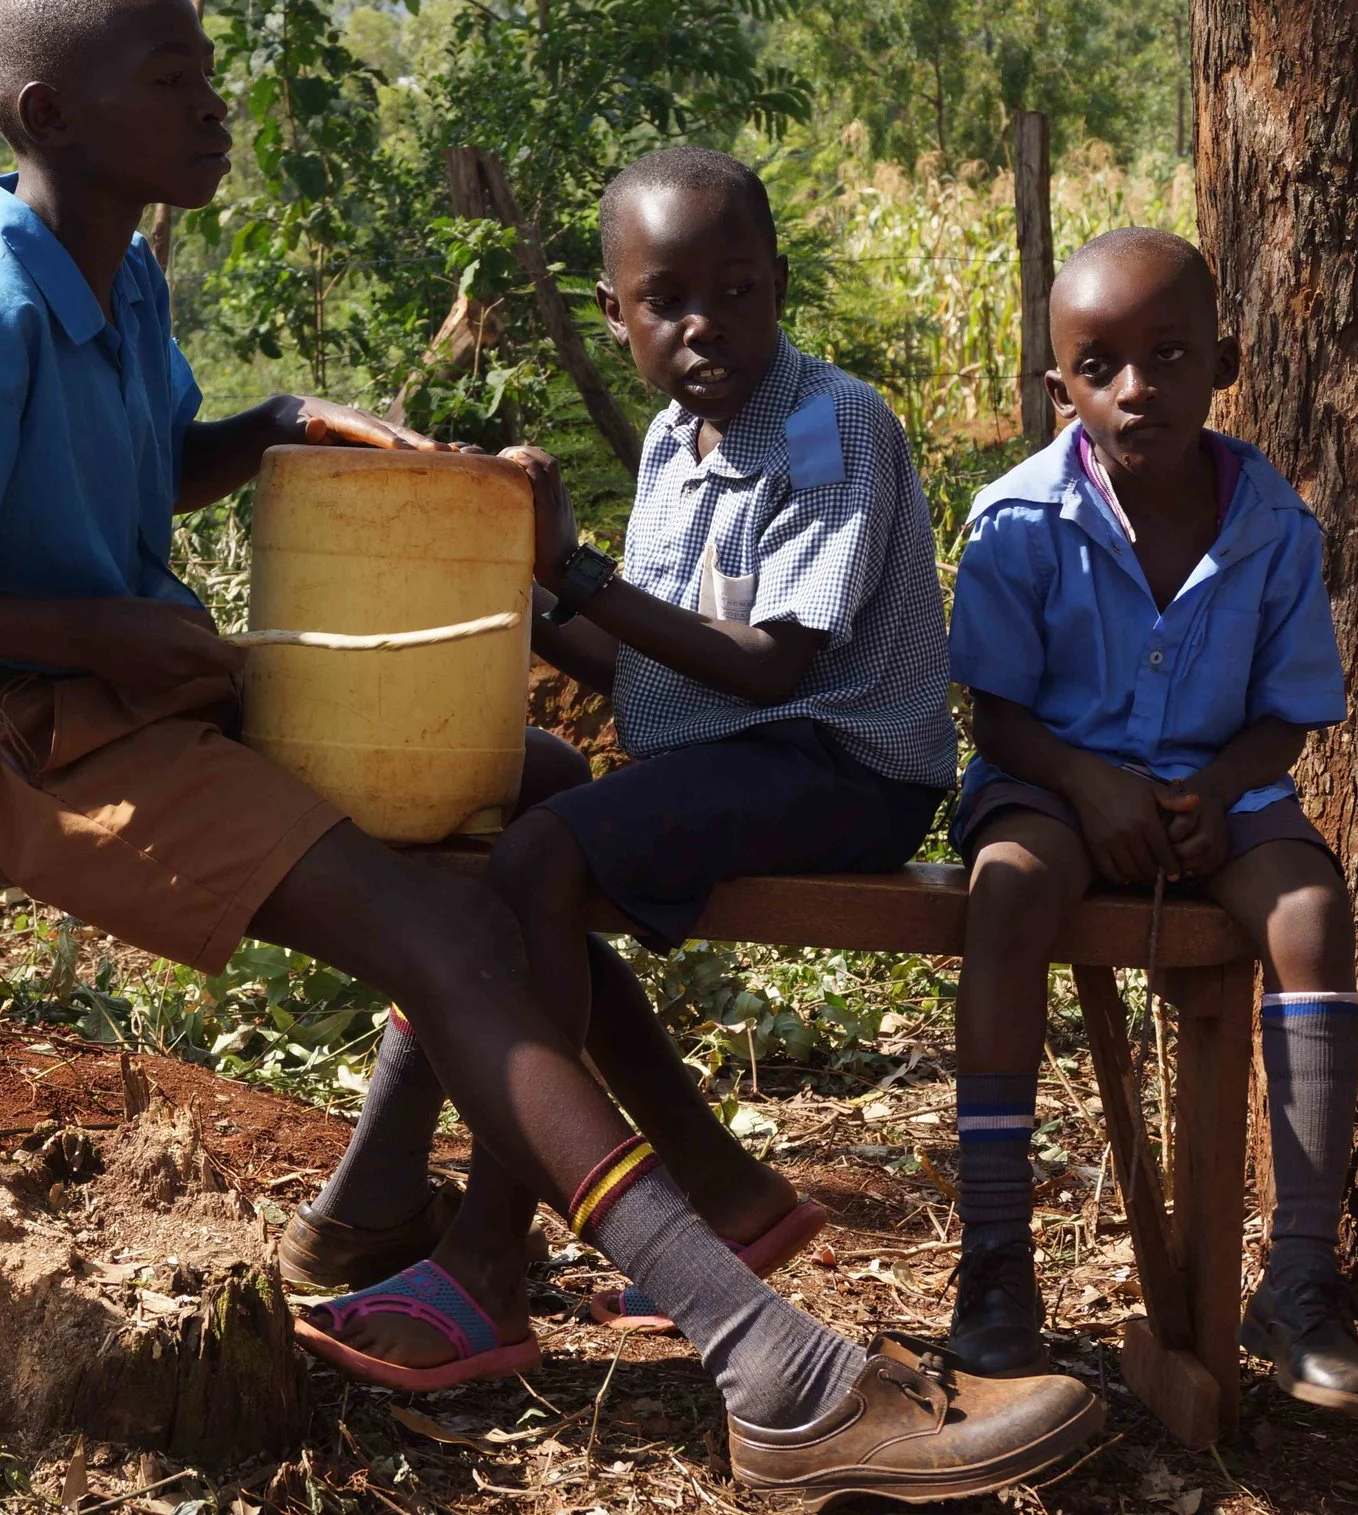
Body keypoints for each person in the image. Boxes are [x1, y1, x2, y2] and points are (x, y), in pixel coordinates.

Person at [0, 0, 1101, 1505]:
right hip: (42, 736)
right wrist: (75, 628)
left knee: (527, 783)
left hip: (144, 686)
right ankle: (767, 1362)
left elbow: (139, 465)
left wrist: (268, 431)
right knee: (453, 934)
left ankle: (452, 1210)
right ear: (53, 112)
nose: (213, 99)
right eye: (173, 79)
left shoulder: (110, 281)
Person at [293, 147, 956, 1366]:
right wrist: (499, 560)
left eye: (739, 289)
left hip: (845, 762)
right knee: (518, 819)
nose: (707, 325)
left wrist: (573, 569)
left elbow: (766, 665)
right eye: (667, 301)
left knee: (543, 859)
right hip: (737, 749)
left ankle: (487, 1262)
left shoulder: (828, 424)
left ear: (781, 285)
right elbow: (641, 665)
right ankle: (725, 1194)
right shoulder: (669, 442)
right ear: (614, 315)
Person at [944, 226, 1358, 1417]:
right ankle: (994, 1263)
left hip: (1219, 789)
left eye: (1169, 354)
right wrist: (1090, 784)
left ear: (1223, 361)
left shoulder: (1272, 526)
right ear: (1058, 390)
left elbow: (1287, 718)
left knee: (1307, 907)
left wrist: (1212, 794)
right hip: (1051, 782)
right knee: (1009, 886)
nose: (1137, 387)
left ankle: (1297, 1280)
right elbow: (994, 712)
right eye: (1100, 365)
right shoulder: (1017, 521)